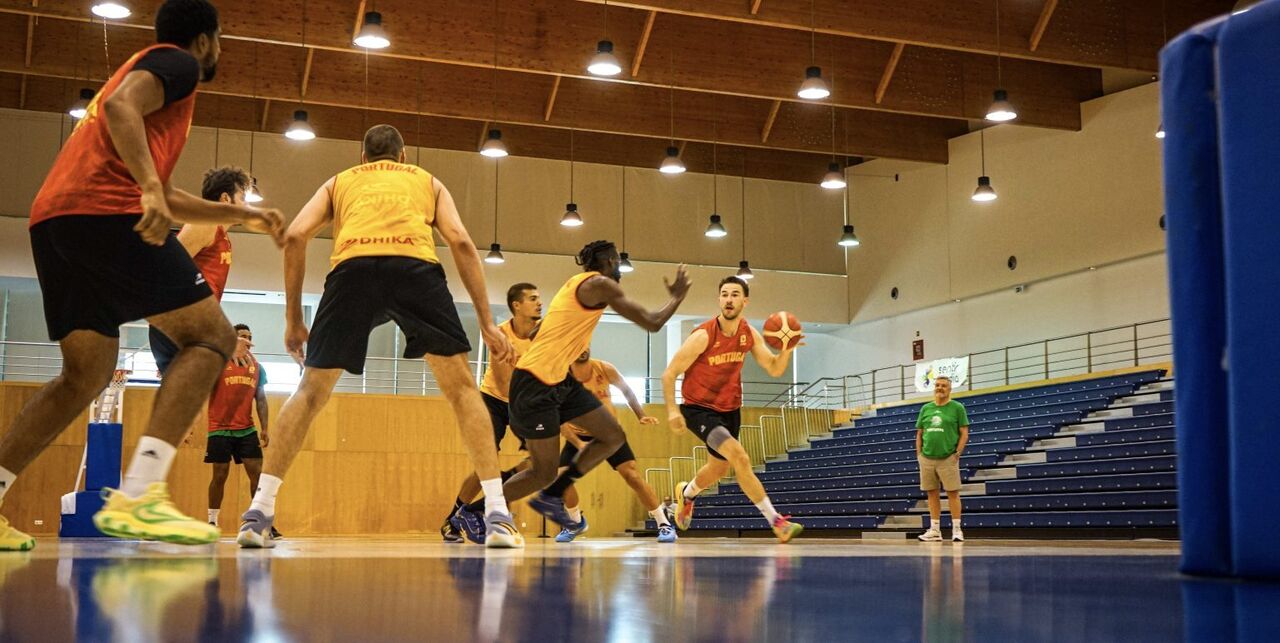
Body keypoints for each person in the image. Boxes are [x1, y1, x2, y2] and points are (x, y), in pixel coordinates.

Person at [0, 0, 284, 551]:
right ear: (205, 41)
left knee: (84, 375)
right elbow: (123, 112)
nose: (218, 51)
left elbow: (163, 190)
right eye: (219, 41)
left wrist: (241, 214)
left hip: (55, 220)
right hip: (103, 214)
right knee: (213, 337)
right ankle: (140, 494)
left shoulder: (149, 88)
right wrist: (150, 190)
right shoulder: (176, 64)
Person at [236, 124, 518, 549]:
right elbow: (459, 241)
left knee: (310, 392)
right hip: (415, 270)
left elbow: (294, 236)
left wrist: (294, 318)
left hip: (353, 272)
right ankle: (497, 514)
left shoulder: (340, 181)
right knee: (462, 391)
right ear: (402, 157)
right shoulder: (427, 180)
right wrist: (487, 321)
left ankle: (259, 512)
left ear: (363, 157)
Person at [500, 241, 689, 528]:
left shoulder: (574, 283)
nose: (620, 270)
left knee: (612, 436)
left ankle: (550, 495)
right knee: (542, 471)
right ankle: (479, 509)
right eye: (618, 263)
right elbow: (653, 322)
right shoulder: (601, 284)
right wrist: (676, 298)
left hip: (555, 380)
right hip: (534, 382)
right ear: (611, 261)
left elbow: (537, 331)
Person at [663, 276, 804, 543]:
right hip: (699, 409)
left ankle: (687, 494)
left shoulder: (748, 334)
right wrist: (672, 410)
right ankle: (777, 522)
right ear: (719, 300)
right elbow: (669, 374)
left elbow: (774, 368)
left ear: (744, 301)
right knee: (739, 457)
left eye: (735, 294)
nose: (728, 299)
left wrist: (787, 348)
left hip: (730, 409)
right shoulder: (703, 335)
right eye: (724, 294)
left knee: (718, 469)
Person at [443, 283, 541, 544]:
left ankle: (469, 513)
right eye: (533, 298)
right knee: (486, 464)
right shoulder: (500, 335)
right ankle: (453, 518)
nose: (539, 303)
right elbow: (504, 383)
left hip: (525, 403)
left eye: (539, 298)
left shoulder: (543, 336)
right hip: (495, 401)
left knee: (540, 464)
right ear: (517, 305)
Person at [554, 349, 676, 544]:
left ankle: (664, 523)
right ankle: (575, 522)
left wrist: (640, 414)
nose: (583, 348)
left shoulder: (603, 368)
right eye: (578, 345)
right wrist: (578, 444)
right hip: (579, 435)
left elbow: (626, 390)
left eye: (586, 344)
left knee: (632, 476)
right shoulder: (559, 377)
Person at [147, 167, 255, 375]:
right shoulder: (205, 224)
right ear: (225, 198)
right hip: (184, 323)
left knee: (189, 404)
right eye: (243, 197)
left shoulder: (222, 236)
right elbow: (166, 270)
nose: (247, 205)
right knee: (191, 402)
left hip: (191, 325)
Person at [203, 324, 280, 540]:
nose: (247, 340)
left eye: (250, 336)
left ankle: (260, 521)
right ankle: (212, 521)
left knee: (257, 474)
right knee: (220, 474)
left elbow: (261, 399)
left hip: (246, 429)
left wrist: (265, 427)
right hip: (219, 428)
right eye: (242, 336)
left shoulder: (257, 367)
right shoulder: (218, 362)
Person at [915, 375, 970, 542]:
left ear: (950, 389)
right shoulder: (926, 408)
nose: (940, 388)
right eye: (937, 385)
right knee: (932, 493)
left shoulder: (957, 407)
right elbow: (919, 433)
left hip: (948, 458)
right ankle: (935, 530)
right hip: (927, 458)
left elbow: (964, 433)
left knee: (953, 493)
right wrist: (919, 455)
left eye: (943, 386)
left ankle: (956, 530)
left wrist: (957, 454)